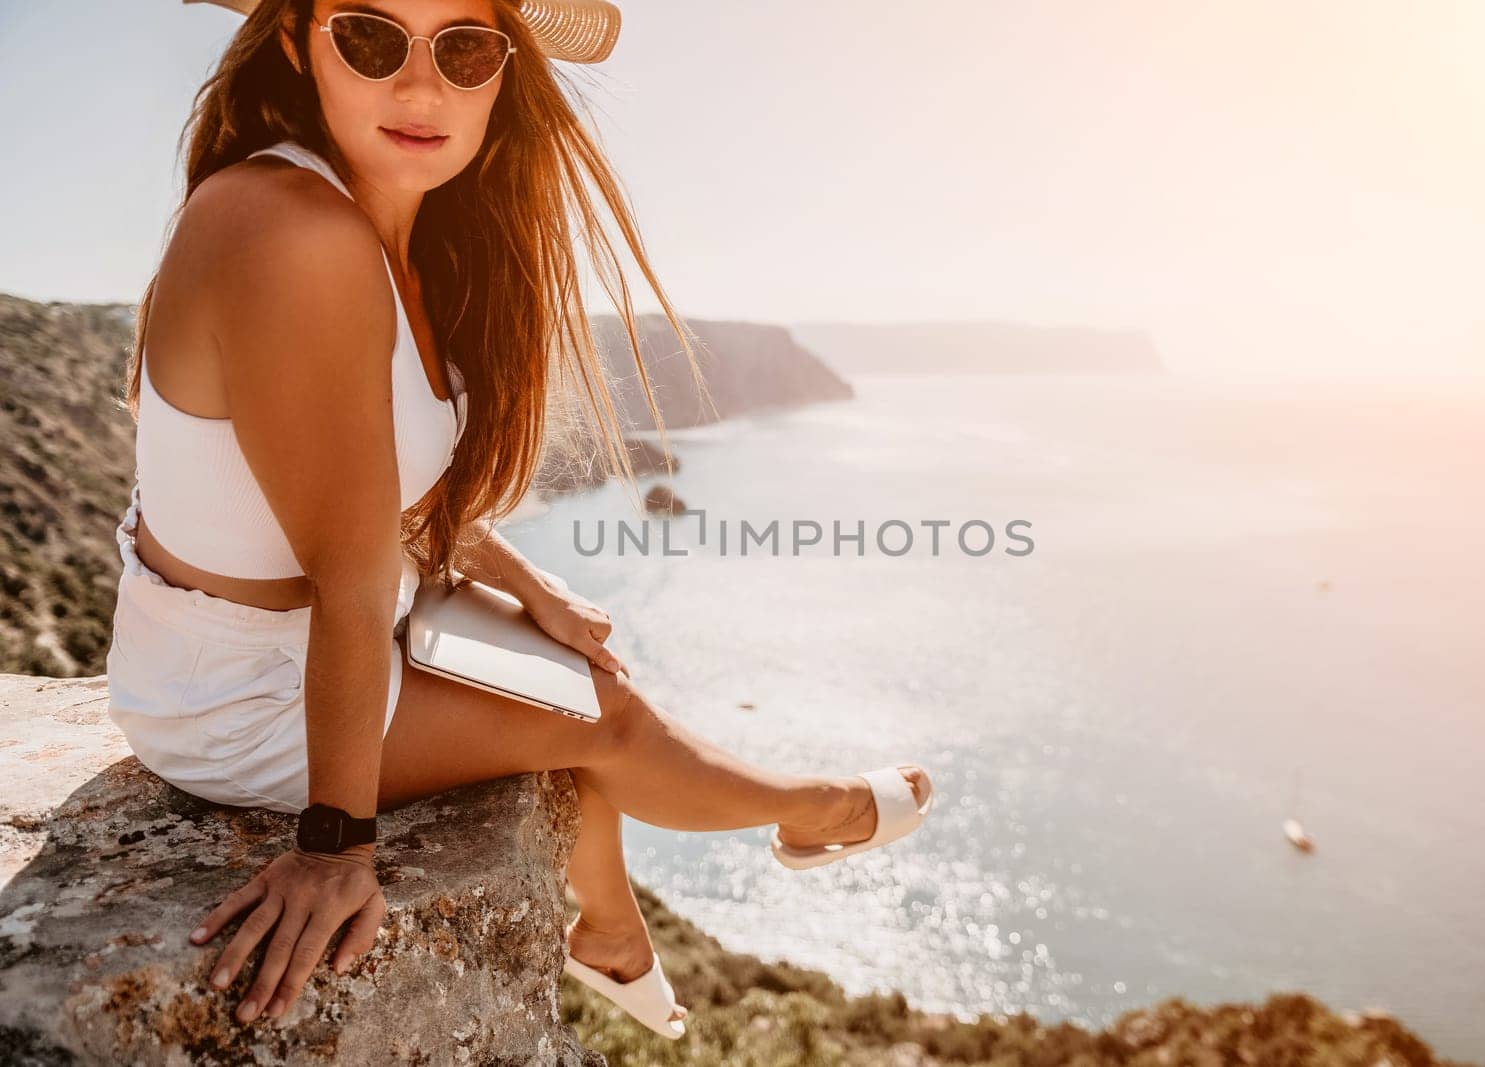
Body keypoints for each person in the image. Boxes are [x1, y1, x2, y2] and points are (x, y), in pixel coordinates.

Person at [104, 0, 934, 1041]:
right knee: (607, 725)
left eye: (462, 47)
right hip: (240, 690)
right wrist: (334, 845)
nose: (420, 88)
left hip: (337, 622)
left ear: (502, 67)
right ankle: (813, 809)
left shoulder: (401, 232)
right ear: (293, 40)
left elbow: (377, 500)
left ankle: (612, 927)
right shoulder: (290, 229)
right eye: (368, 36)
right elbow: (349, 572)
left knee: (582, 679)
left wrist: (531, 587)